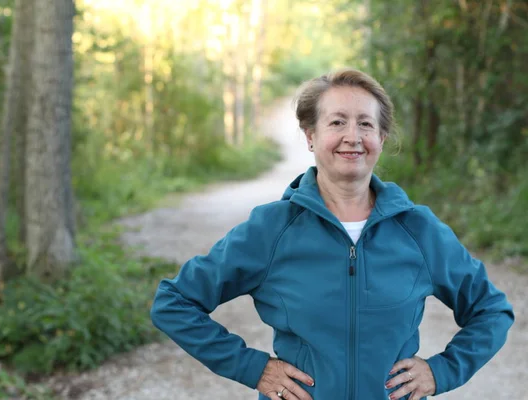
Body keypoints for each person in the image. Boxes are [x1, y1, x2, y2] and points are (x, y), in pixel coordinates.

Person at [150, 68, 514, 400]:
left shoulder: (418, 230)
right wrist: (253, 368)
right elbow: (174, 303)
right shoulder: (273, 228)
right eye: (337, 122)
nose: (352, 137)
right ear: (311, 136)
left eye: (366, 124)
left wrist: (442, 371)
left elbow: (491, 310)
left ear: (382, 138)